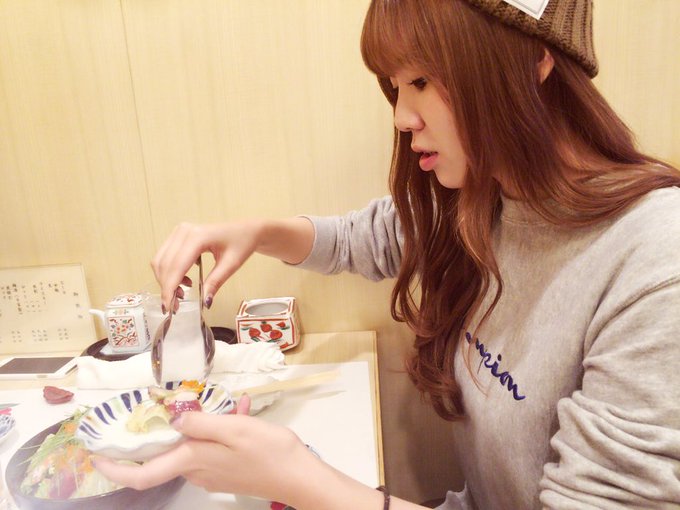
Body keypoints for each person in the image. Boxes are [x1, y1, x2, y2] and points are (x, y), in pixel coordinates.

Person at [93, 0, 680, 508]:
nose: (401, 117)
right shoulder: (487, 198)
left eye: (420, 80)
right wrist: (256, 232)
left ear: (534, 61)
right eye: (395, 86)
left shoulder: (656, 262)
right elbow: (365, 238)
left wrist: (302, 481)